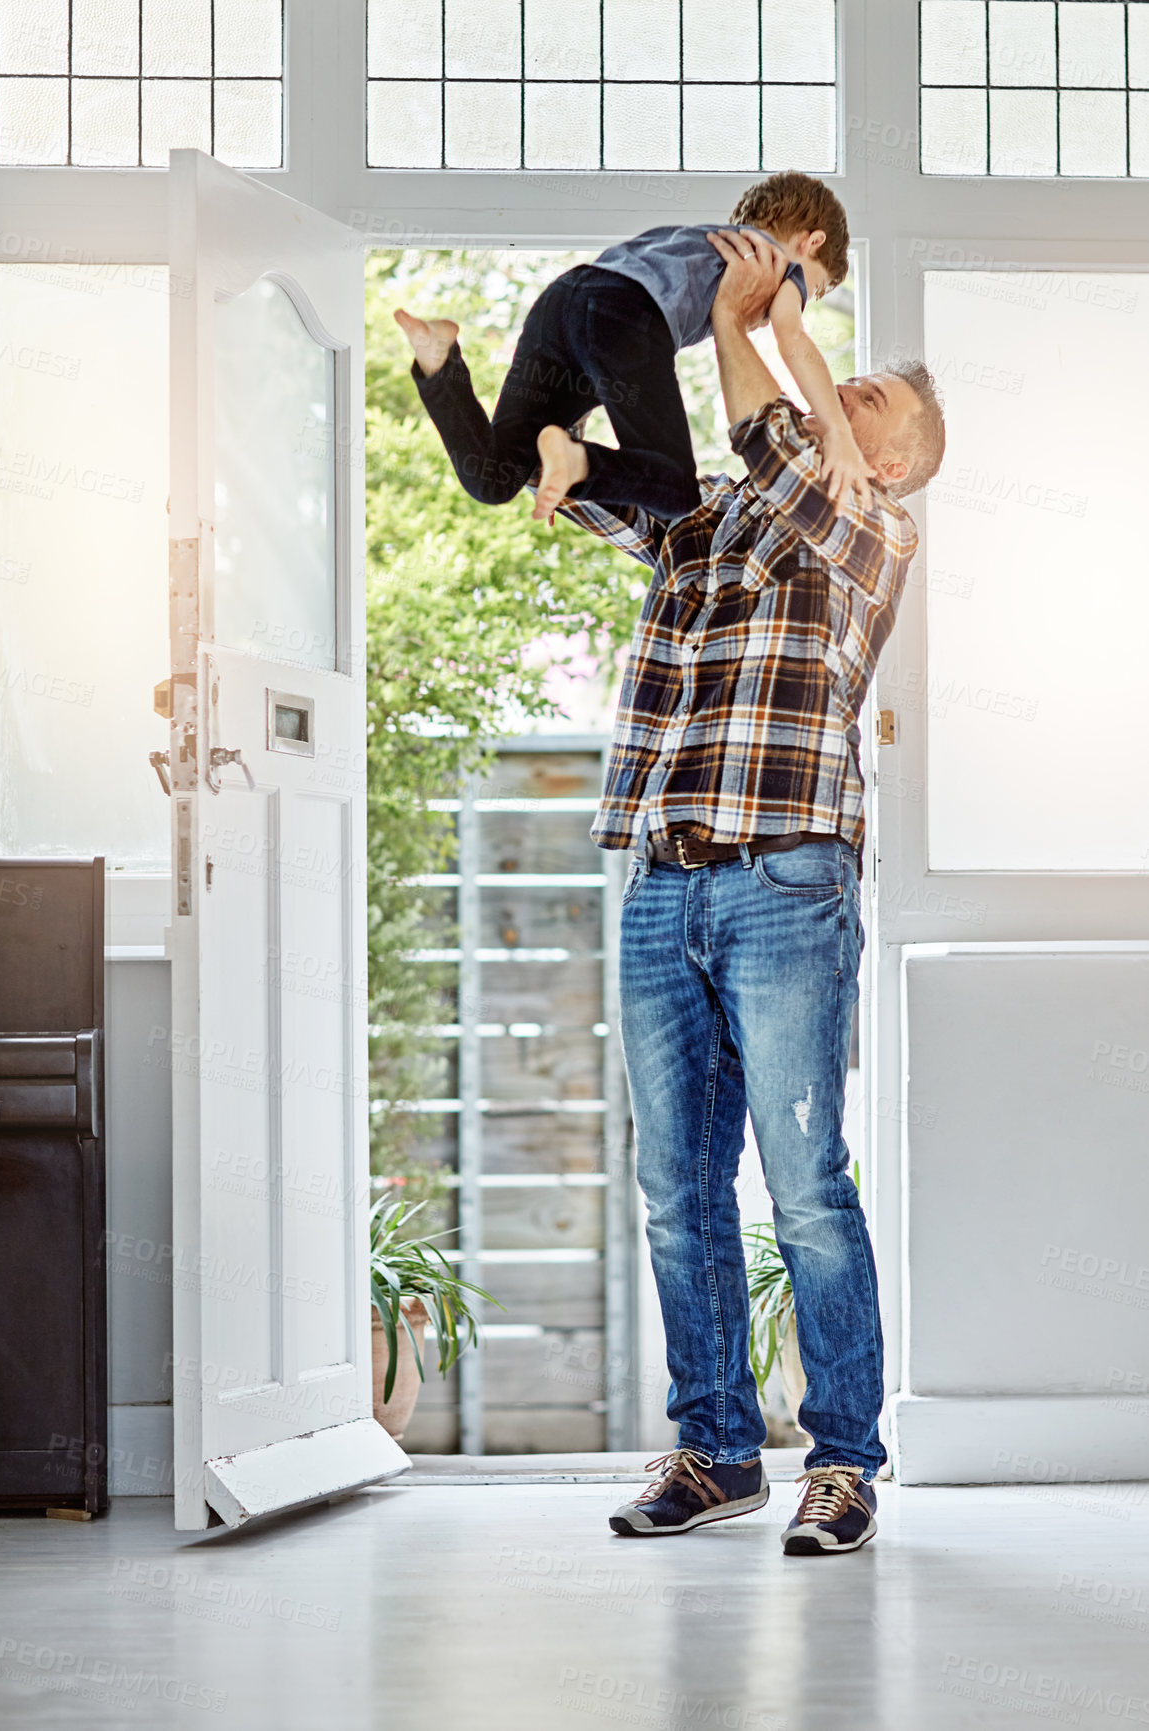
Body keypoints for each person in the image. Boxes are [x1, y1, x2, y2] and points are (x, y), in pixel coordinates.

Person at [548, 231, 945, 1552]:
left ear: (885, 456)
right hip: (665, 879)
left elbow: (779, 426)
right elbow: (632, 494)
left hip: (785, 880)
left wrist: (743, 314)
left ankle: (843, 1459)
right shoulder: (726, 519)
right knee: (676, 1184)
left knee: (805, 1185)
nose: (848, 407)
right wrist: (552, 451)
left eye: (868, 402)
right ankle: (715, 1448)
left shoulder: (868, 523)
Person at [393, 171, 874, 528]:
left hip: (561, 304)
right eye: (816, 288)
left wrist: (564, 427)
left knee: (494, 477)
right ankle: (577, 462)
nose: (793, 304)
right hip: (626, 316)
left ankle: (440, 361)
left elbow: (591, 320)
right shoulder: (773, 260)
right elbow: (794, 342)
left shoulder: (698, 239)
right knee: (677, 490)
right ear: (810, 243)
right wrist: (839, 434)